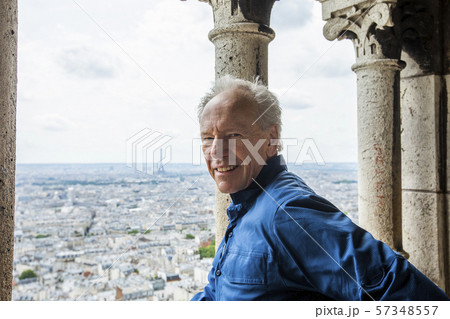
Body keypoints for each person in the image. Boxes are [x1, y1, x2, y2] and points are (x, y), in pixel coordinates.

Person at [191, 75, 449, 301]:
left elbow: (409, 296)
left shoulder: (287, 213)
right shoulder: (246, 207)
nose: (216, 152)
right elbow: (216, 294)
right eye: (207, 138)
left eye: (234, 136)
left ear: (271, 138)